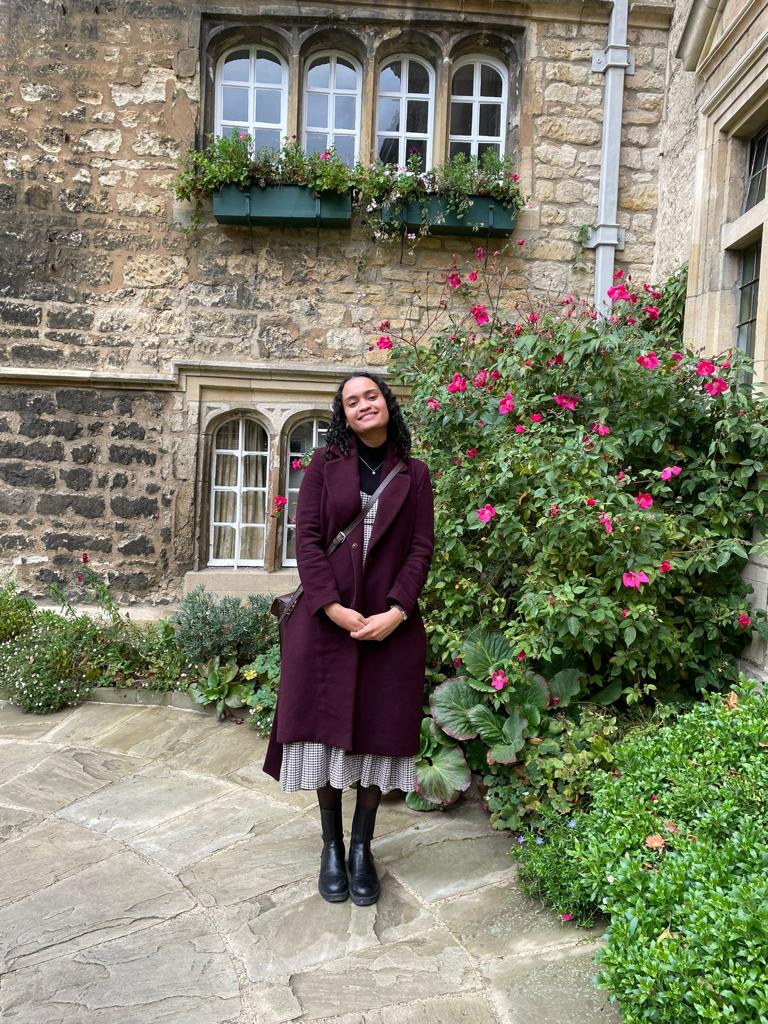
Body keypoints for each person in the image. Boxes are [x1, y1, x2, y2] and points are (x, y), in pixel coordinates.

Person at [263, 371, 435, 906]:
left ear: (387, 403)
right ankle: (331, 847)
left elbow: (420, 549)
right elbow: (307, 539)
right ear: (344, 413)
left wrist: (397, 611)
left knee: (378, 736)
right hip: (325, 627)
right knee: (326, 734)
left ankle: (362, 847)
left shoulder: (415, 473)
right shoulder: (323, 465)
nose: (364, 405)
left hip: (388, 628)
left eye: (372, 396)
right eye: (352, 401)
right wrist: (333, 607)